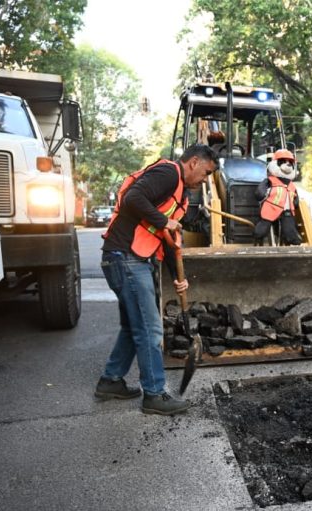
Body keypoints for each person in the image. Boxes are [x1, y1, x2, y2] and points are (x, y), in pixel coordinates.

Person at [95, 144, 218, 415]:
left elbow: (169, 242)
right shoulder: (168, 173)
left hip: (131, 259)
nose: (205, 180)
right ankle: (154, 394)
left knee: (132, 326)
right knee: (150, 329)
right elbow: (132, 198)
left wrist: (177, 278)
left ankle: (110, 380)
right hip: (125, 257)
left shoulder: (181, 196)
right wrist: (164, 222)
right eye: (206, 173)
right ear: (194, 162)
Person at [253, 148, 302, 245]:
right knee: (264, 224)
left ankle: (292, 238)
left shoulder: (291, 184)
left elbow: (295, 196)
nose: (288, 164)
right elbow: (260, 191)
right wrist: (261, 194)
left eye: (290, 163)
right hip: (271, 207)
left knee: (289, 227)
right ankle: (258, 235)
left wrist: (295, 202)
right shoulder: (270, 180)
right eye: (283, 162)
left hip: (287, 210)